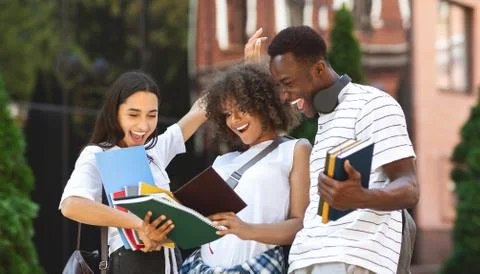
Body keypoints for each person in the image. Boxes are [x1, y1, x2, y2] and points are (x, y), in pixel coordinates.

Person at [245, 26, 419, 274]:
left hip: (351, 259)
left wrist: (361, 197)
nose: (283, 96)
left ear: (318, 69)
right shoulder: (325, 123)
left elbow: (410, 187)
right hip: (305, 260)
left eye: (287, 83)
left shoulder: (373, 104)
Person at [59, 71, 207, 274]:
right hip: (132, 263)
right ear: (115, 112)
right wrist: (139, 225)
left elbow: (200, 110)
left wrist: (245, 71)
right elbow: (71, 205)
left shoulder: (154, 151)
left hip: (170, 262)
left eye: (152, 115)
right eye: (133, 114)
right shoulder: (97, 154)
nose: (143, 125)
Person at [180, 63, 311, 273]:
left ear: (264, 105)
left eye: (242, 108)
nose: (234, 120)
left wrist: (246, 230)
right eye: (227, 113)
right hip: (202, 267)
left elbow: (300, 225)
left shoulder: (295, 150)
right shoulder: (222, 161)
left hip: (255, 266)